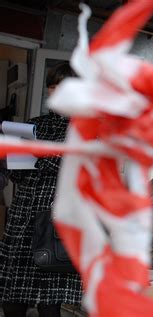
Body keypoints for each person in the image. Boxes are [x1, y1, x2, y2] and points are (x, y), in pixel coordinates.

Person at [0, 62, 82, 317]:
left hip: (57, 218)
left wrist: (39, 154)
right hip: (23, 217)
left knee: (50, 303)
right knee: (12, 298)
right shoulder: (34, 125)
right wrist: (13, 157)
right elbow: (18, 175)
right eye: (52, 87)